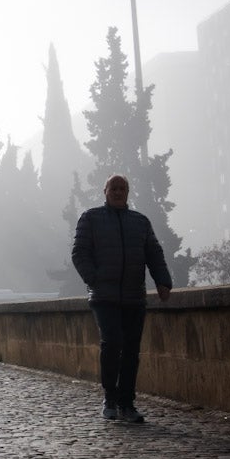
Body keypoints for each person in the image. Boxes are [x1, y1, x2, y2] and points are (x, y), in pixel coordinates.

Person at [71, 173, 173, 423]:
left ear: (128, 193)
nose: (118, 192)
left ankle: (127, 403)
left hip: (133, 298)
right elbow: (79, 253)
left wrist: (163, 281)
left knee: (130, 351)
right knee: (112, 343)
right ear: (105, 191)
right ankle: (110, 396)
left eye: (123, 188)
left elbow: (154, 253)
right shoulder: (91, 218)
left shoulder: (140, 222)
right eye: (114, 188)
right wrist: (94, 279)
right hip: (104, 297)